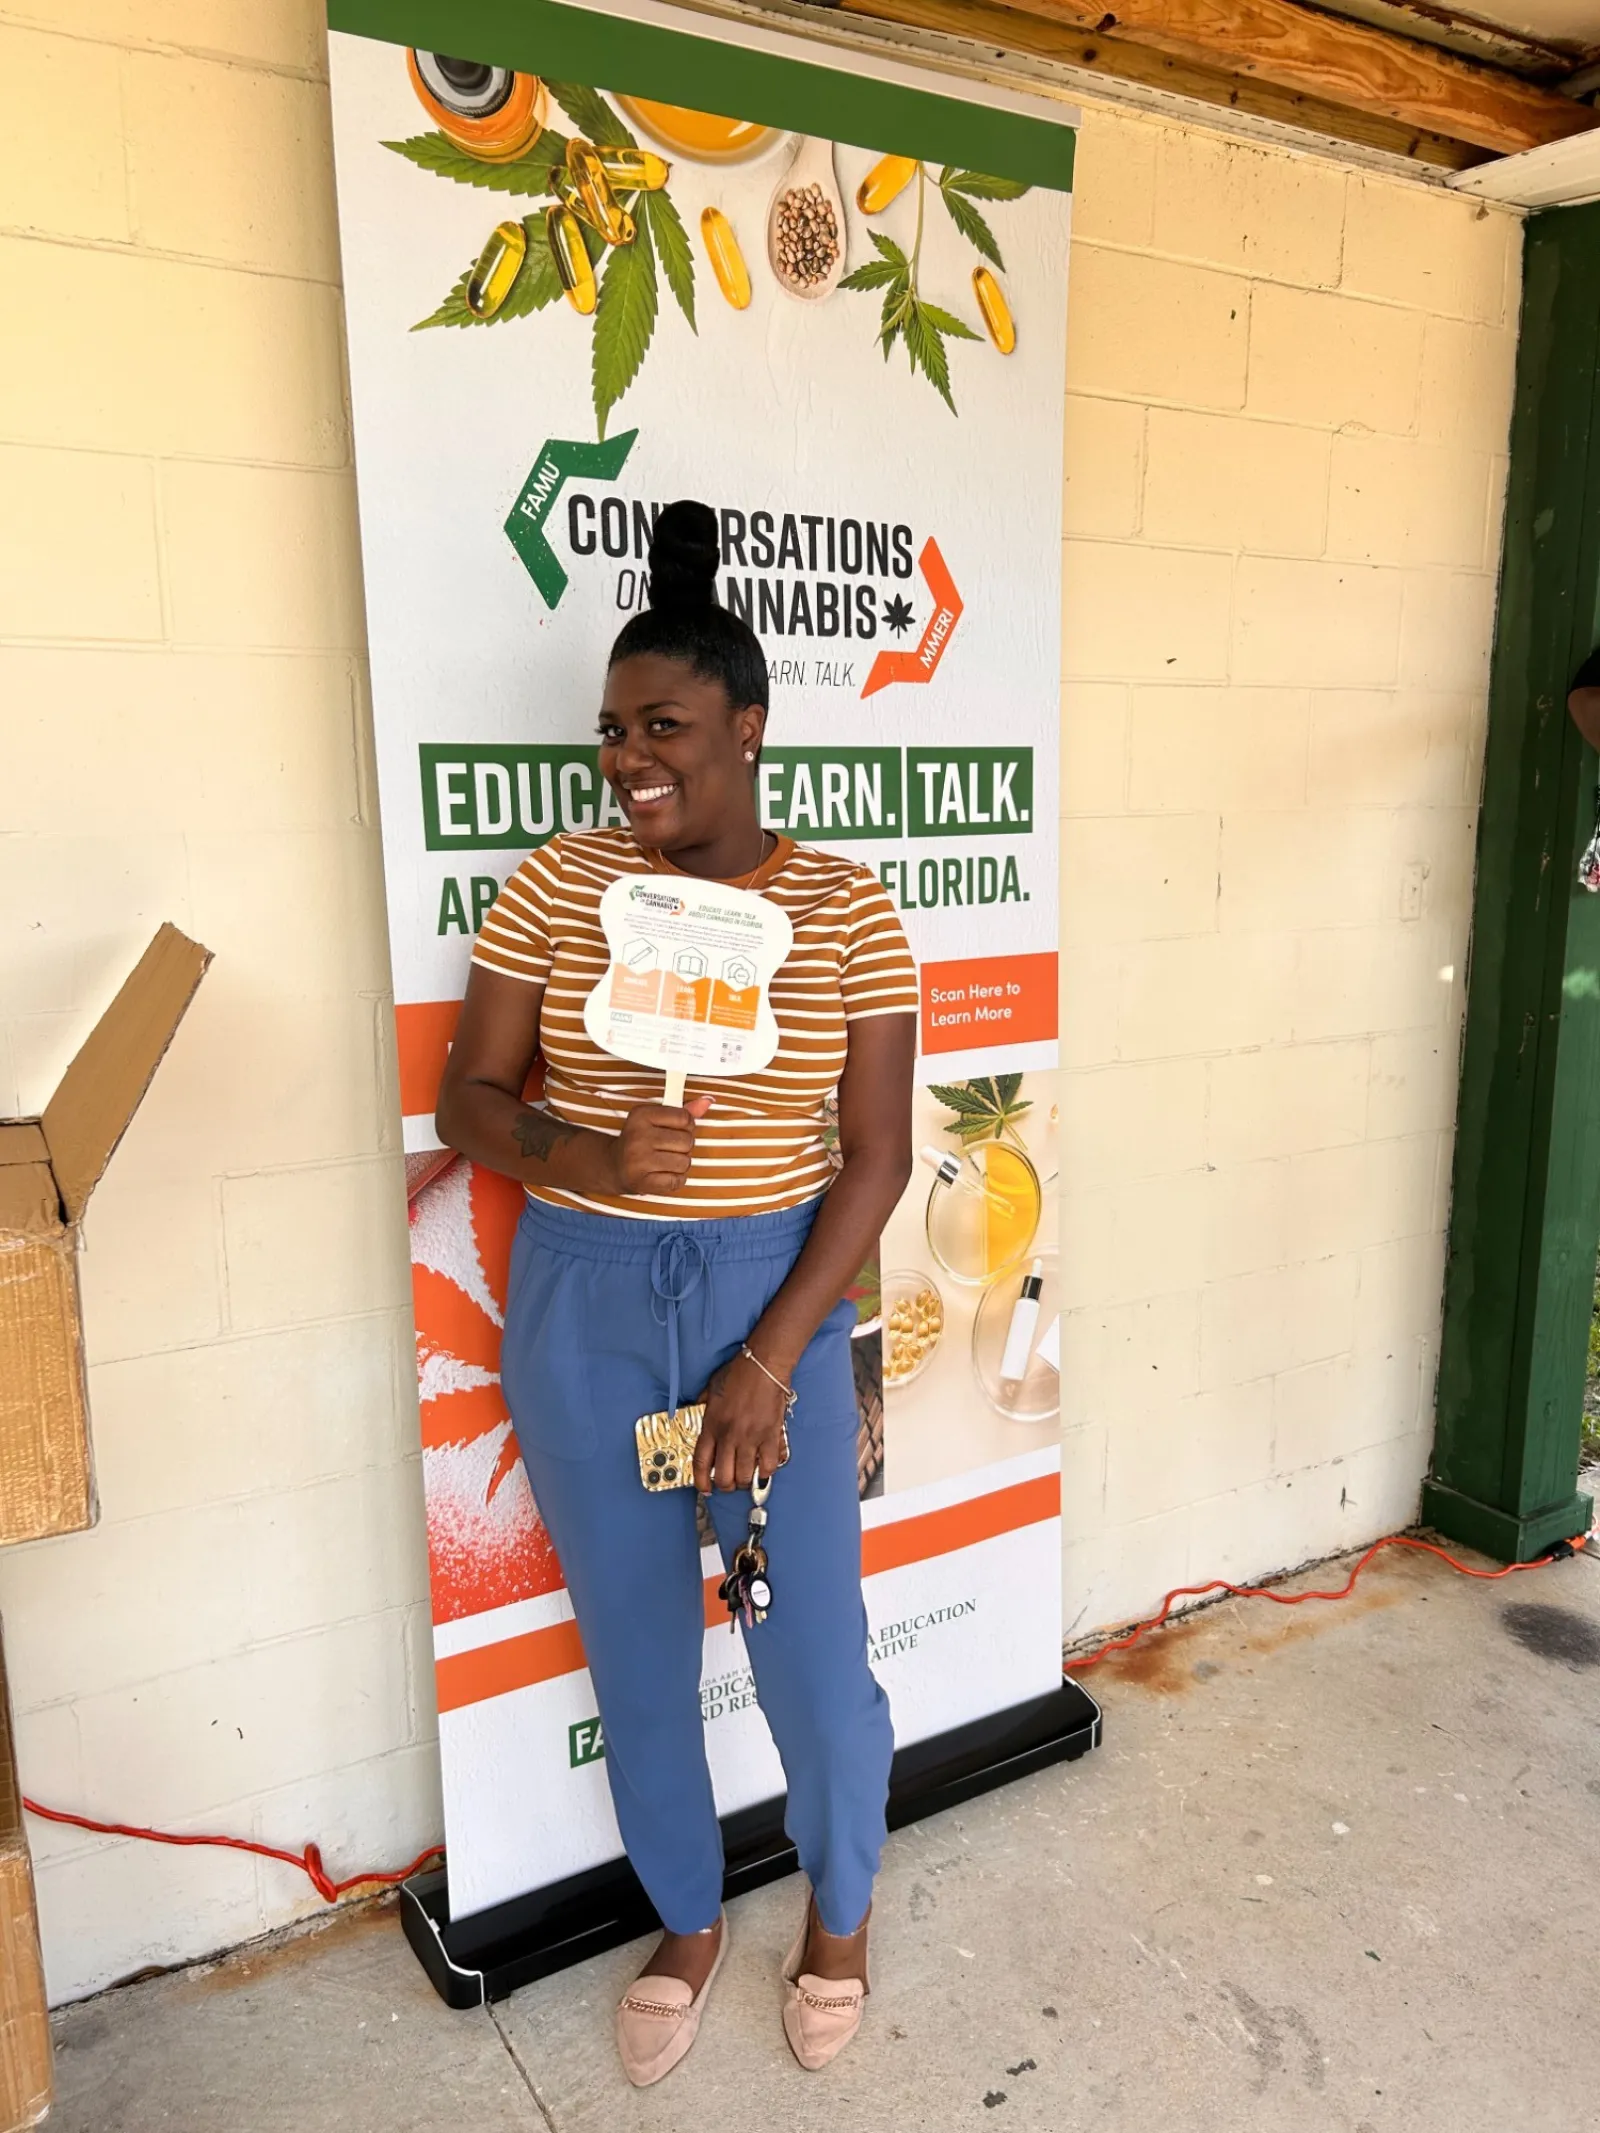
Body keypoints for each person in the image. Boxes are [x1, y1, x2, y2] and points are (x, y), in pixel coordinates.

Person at [435, 499, 917, 2084]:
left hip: (766, 1298)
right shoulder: (558, 886)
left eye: (666, 729)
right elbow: (469, 1104)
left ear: (750, 730)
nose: (630, 760)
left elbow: (877, 1159)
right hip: (581, 1299)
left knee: (804, 1647)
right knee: (635, 1646)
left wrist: (774, 1361)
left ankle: (837, 1913)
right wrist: (587, 1141)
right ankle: (692, 1916)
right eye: (611, 733)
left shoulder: (844, 908)